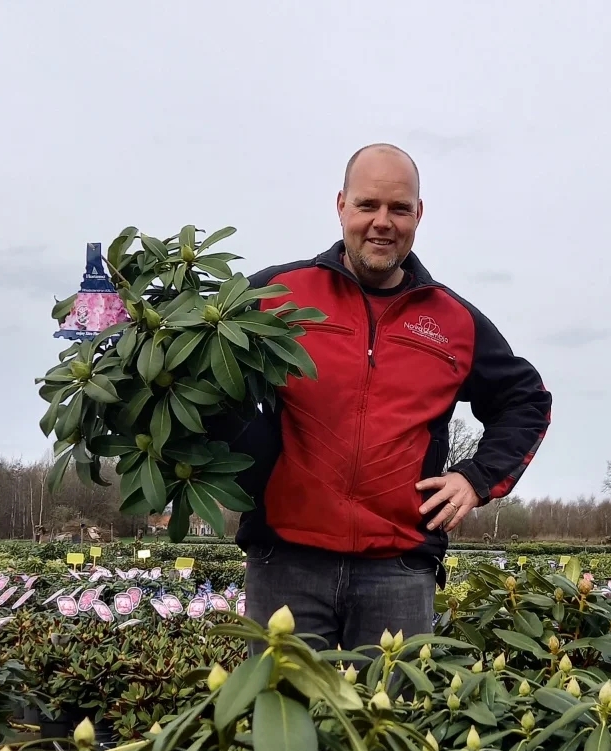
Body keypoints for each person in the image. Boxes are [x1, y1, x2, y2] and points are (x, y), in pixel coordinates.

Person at [233, 143, 552, 653]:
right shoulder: (276, 294)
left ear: (418, 215)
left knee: (392, 727)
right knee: (284, 727)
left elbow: (526, 399)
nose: (383, 222)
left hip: (399, 574)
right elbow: (193, 365)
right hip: (286, 565)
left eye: (399, 209)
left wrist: (478, 477)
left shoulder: (453, 321)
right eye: (367, 206)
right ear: (341, 205)